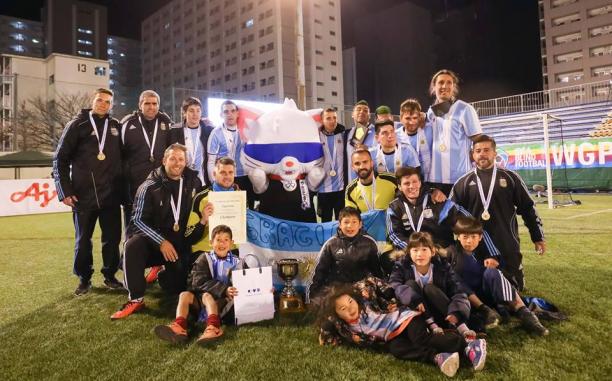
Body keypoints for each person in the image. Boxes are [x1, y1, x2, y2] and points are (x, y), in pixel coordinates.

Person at [317, 283, 487, 377]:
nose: (350, 308)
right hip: (392, 336)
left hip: (405, 318)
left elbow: (373, 281)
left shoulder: (366, 300)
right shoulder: (345, 328)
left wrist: (389, 294)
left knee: (420, 339)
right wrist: (325, 332)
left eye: (350, 302)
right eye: (342, 309)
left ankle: (469, 344)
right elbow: (327, 324)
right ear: (337, 314)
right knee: (396, 350)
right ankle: (438, 357)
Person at [111, 144, 202, 320]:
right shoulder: (149, 186)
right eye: (173, 158)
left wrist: (228, 189)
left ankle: (164, 275)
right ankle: (136, 298)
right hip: (153, 244)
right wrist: (161, 241)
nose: (177, 163)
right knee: (133, 245)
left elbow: (205, 198)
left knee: (177, 288)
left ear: (186, 162)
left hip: (178, 244)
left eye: (181, 159)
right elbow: (137, 220)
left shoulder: (193, 182)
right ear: (164, 160)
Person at [451, 135, 545, 291]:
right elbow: (451, 214)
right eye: (478, 151)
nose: (482, 154)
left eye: (486, 150)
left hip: (506, 240)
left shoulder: (511, 178)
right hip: (475, 243)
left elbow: (528, 208)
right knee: (479, 287)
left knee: (516, 288)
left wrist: (537, 236)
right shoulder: (463, 182)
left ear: (495, 153)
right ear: (473, 155)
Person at [52, 87, 123, 295]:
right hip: (83, 196)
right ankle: (84, 278)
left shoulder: (115, 126)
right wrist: (64, 190)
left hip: (110, 196)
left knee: (112, 239)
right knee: (83, 240)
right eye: (100, 100)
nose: (103, 104)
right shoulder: (77, 125)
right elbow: (60, 159)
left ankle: (110, 276)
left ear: (112, 105)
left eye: (108, 102)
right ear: (92, 101)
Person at [445, 216, 549, 335]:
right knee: (455, 279)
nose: (469, 241)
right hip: (468, 298)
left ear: (480, 237)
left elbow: (502, 271)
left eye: (473, 237)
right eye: (465, 237)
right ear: (458, 236)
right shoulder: (451, 252)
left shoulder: (486, 250)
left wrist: (495, 263)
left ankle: (525, 313)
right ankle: (485, 310)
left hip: (489, 292)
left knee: (492, 272)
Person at [154, 225, 240, 344]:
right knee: (184, 295)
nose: (222, 243)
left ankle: (214, 327)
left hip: (222, 301)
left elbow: (247, 281)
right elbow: (198, 282)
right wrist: (223, 289)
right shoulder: (204, 258)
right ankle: (179, 326)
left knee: (207, 296)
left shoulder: (237, 262)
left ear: (232, 243)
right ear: (211, 242)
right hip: (202, 300)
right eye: (218, 240)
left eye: (226, 240)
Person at [386, 166, 500, 256]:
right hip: (412, 253)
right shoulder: (395, 207)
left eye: (415, 181)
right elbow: (394, 235)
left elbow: (471, 223)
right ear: (400, 187)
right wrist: (416, 248)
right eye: (406, 183)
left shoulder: (437, 201)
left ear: (420, 183)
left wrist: (491, 254)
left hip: (440, 253)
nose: (412, 186)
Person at [307, 207, 383, 303]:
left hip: (362, 289)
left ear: (360, 225)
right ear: (339, 225)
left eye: (354, 222)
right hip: (338, 290)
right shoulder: (331, 244)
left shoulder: (370, 243)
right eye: (346, 222)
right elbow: (319, 273)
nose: (350, 226)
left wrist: (381, 293)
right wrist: (313, 299)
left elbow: (378, 272)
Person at [120, 90, 173, 227]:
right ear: (140, 105)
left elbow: (173, 149)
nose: (151, 107)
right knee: (133, 227)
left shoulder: (166, 122)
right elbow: (120, 155)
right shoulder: (127, 123)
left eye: (154, 104)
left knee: (158, 226)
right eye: (147, 103)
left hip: (159, 184)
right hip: (135, 186)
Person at [425, 70, 482, 195]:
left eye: (449, 83)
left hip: (460, 177)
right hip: (434, 180)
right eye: (441, 82)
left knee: (461, 215)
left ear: (453, 87)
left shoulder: (464, 109)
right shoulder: (430, 112)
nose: (444, 86)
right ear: (434, 87)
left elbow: (479, 140)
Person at [185, 157, 239, 256]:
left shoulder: (239, 197)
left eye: (230, 172)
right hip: (206, 252)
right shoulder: (201, 198)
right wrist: (203, 221)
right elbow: (189, 238)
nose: (227, 176)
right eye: (223, 173)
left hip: (231, 251)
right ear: (214, 174)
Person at [207, 100, 255, 209]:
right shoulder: (215, 133)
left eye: (233, 111)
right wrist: (214, 183)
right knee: (226, 211)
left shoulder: (247, 130)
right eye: (226, 112)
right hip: (225, 178)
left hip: (245, 177)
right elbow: (210, 161)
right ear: (221, 114)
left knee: (247, 212)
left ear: (237, 113)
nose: (230, 114)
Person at [170, 97, 215, 187]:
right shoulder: (174, 132)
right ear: (184, 113)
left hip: (204, 182)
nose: (195, 114)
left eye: (198, 111)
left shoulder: (209, 131)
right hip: (182, 182)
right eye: (191, 111)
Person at [316, 107, 349, 222]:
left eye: (334, 118)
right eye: (328, 118)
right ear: (322, 121)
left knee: (342, 220)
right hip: (323, 188)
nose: (332, 121)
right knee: (326, 222)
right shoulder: (316, 136)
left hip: (340, 188)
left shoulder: (343, 135)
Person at [396, 98, 432, 181]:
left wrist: (426, 116)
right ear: (401, 119)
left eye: (415, 118)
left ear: (419, 117)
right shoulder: (395, 136)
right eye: (407, 118)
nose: (411, 122)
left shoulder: (430, 129)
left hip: (429, 180)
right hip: (408, 181)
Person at [346, 100, 376, 181]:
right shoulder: (347, 133)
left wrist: (368, 150)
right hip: (351, 182)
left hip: (371, 182)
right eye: (358, 109)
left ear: (369, 116)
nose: (362, 112)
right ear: (352, 114)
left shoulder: (377, 132)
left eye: (365, 110)